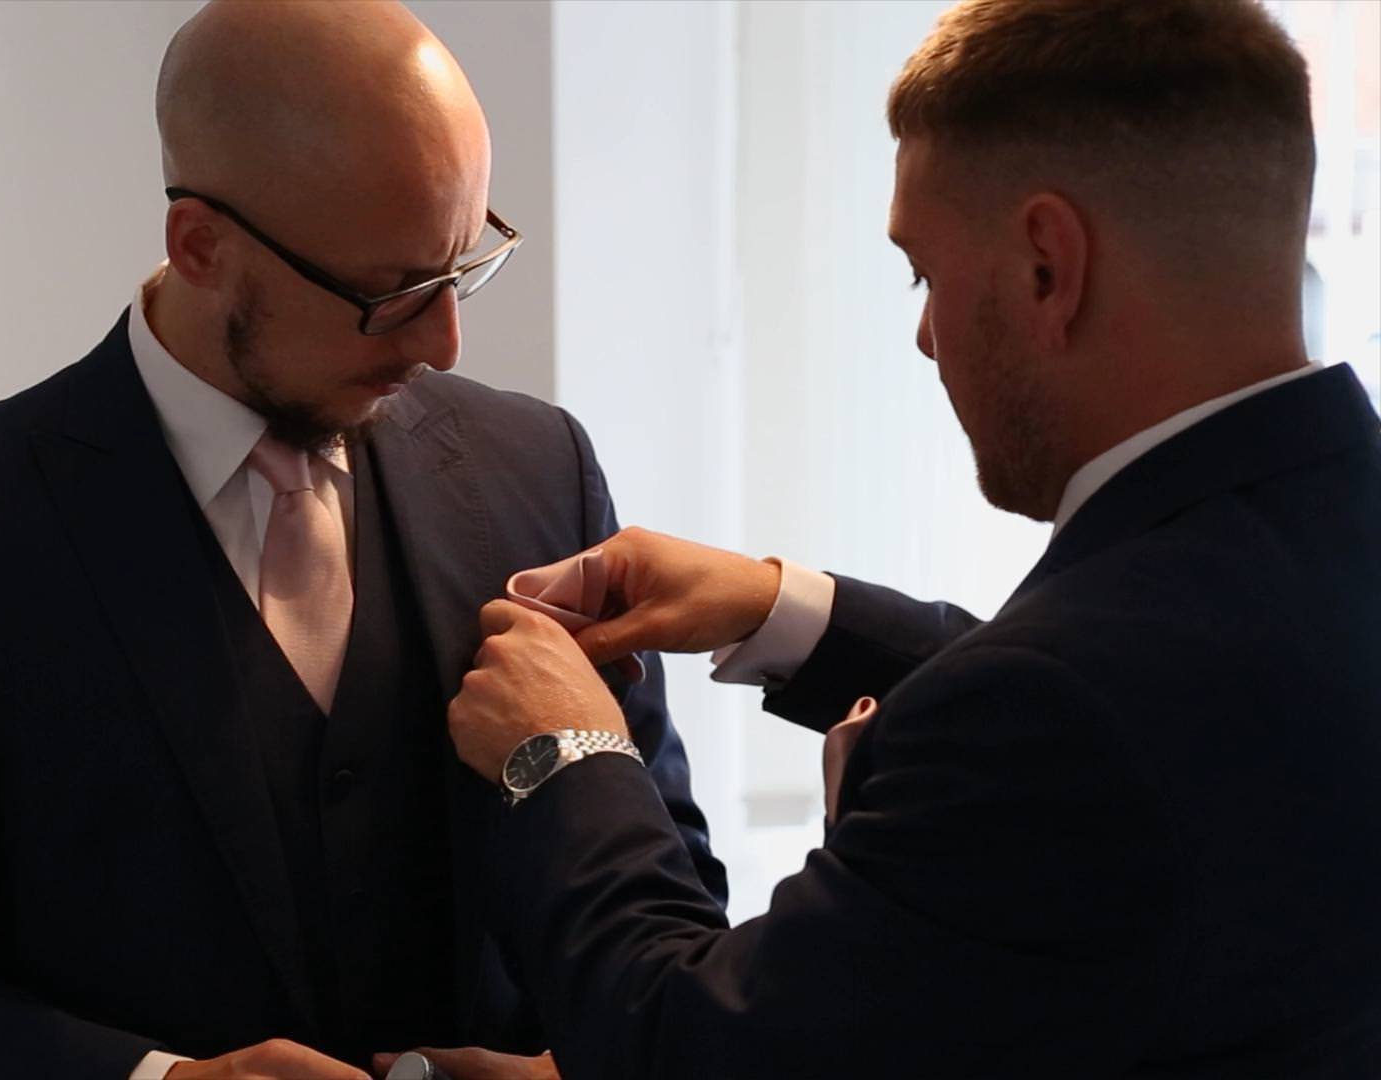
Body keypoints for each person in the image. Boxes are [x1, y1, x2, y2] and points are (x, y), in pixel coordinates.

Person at [0, 3, 725, 1078]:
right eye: (388, 294)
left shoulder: (538, 469)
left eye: (460, 270)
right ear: (202, 246)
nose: (444, 344)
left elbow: (676, 900)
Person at [447, 0, 1381, 1076]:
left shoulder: (1063, 712)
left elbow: (691, 1048)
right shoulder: (1315, 537)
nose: (926, 336)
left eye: (924, 273)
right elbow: (1174, 718)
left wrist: (566, 754)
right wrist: (782, 610)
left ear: (1047, 265)